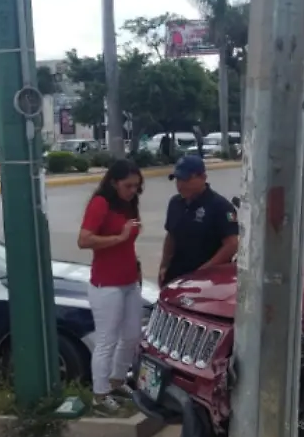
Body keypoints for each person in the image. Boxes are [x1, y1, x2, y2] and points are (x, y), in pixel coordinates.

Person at [78, 160, 145, 412]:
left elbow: (129, 244)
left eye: (137, 187)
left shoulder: (129, 205)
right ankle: (100, 393)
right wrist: (119, 237)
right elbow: (84, 240)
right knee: (107, 339)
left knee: (131, 336)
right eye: (128, 186)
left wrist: (136, 268)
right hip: (106, 283)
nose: (132, 191)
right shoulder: (100, 203)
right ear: (114, 182)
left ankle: (118, 380)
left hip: (129, 279)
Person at [159, 155, 239, 286]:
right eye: (177, 179)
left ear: (203, 177)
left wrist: (202, 271)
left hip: (207, 281)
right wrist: (164, 266)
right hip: (177, 277)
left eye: (185, 179)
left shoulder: (221, 207)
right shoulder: (175, 203)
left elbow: (231, 245)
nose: (180, 185)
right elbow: (171, 236)